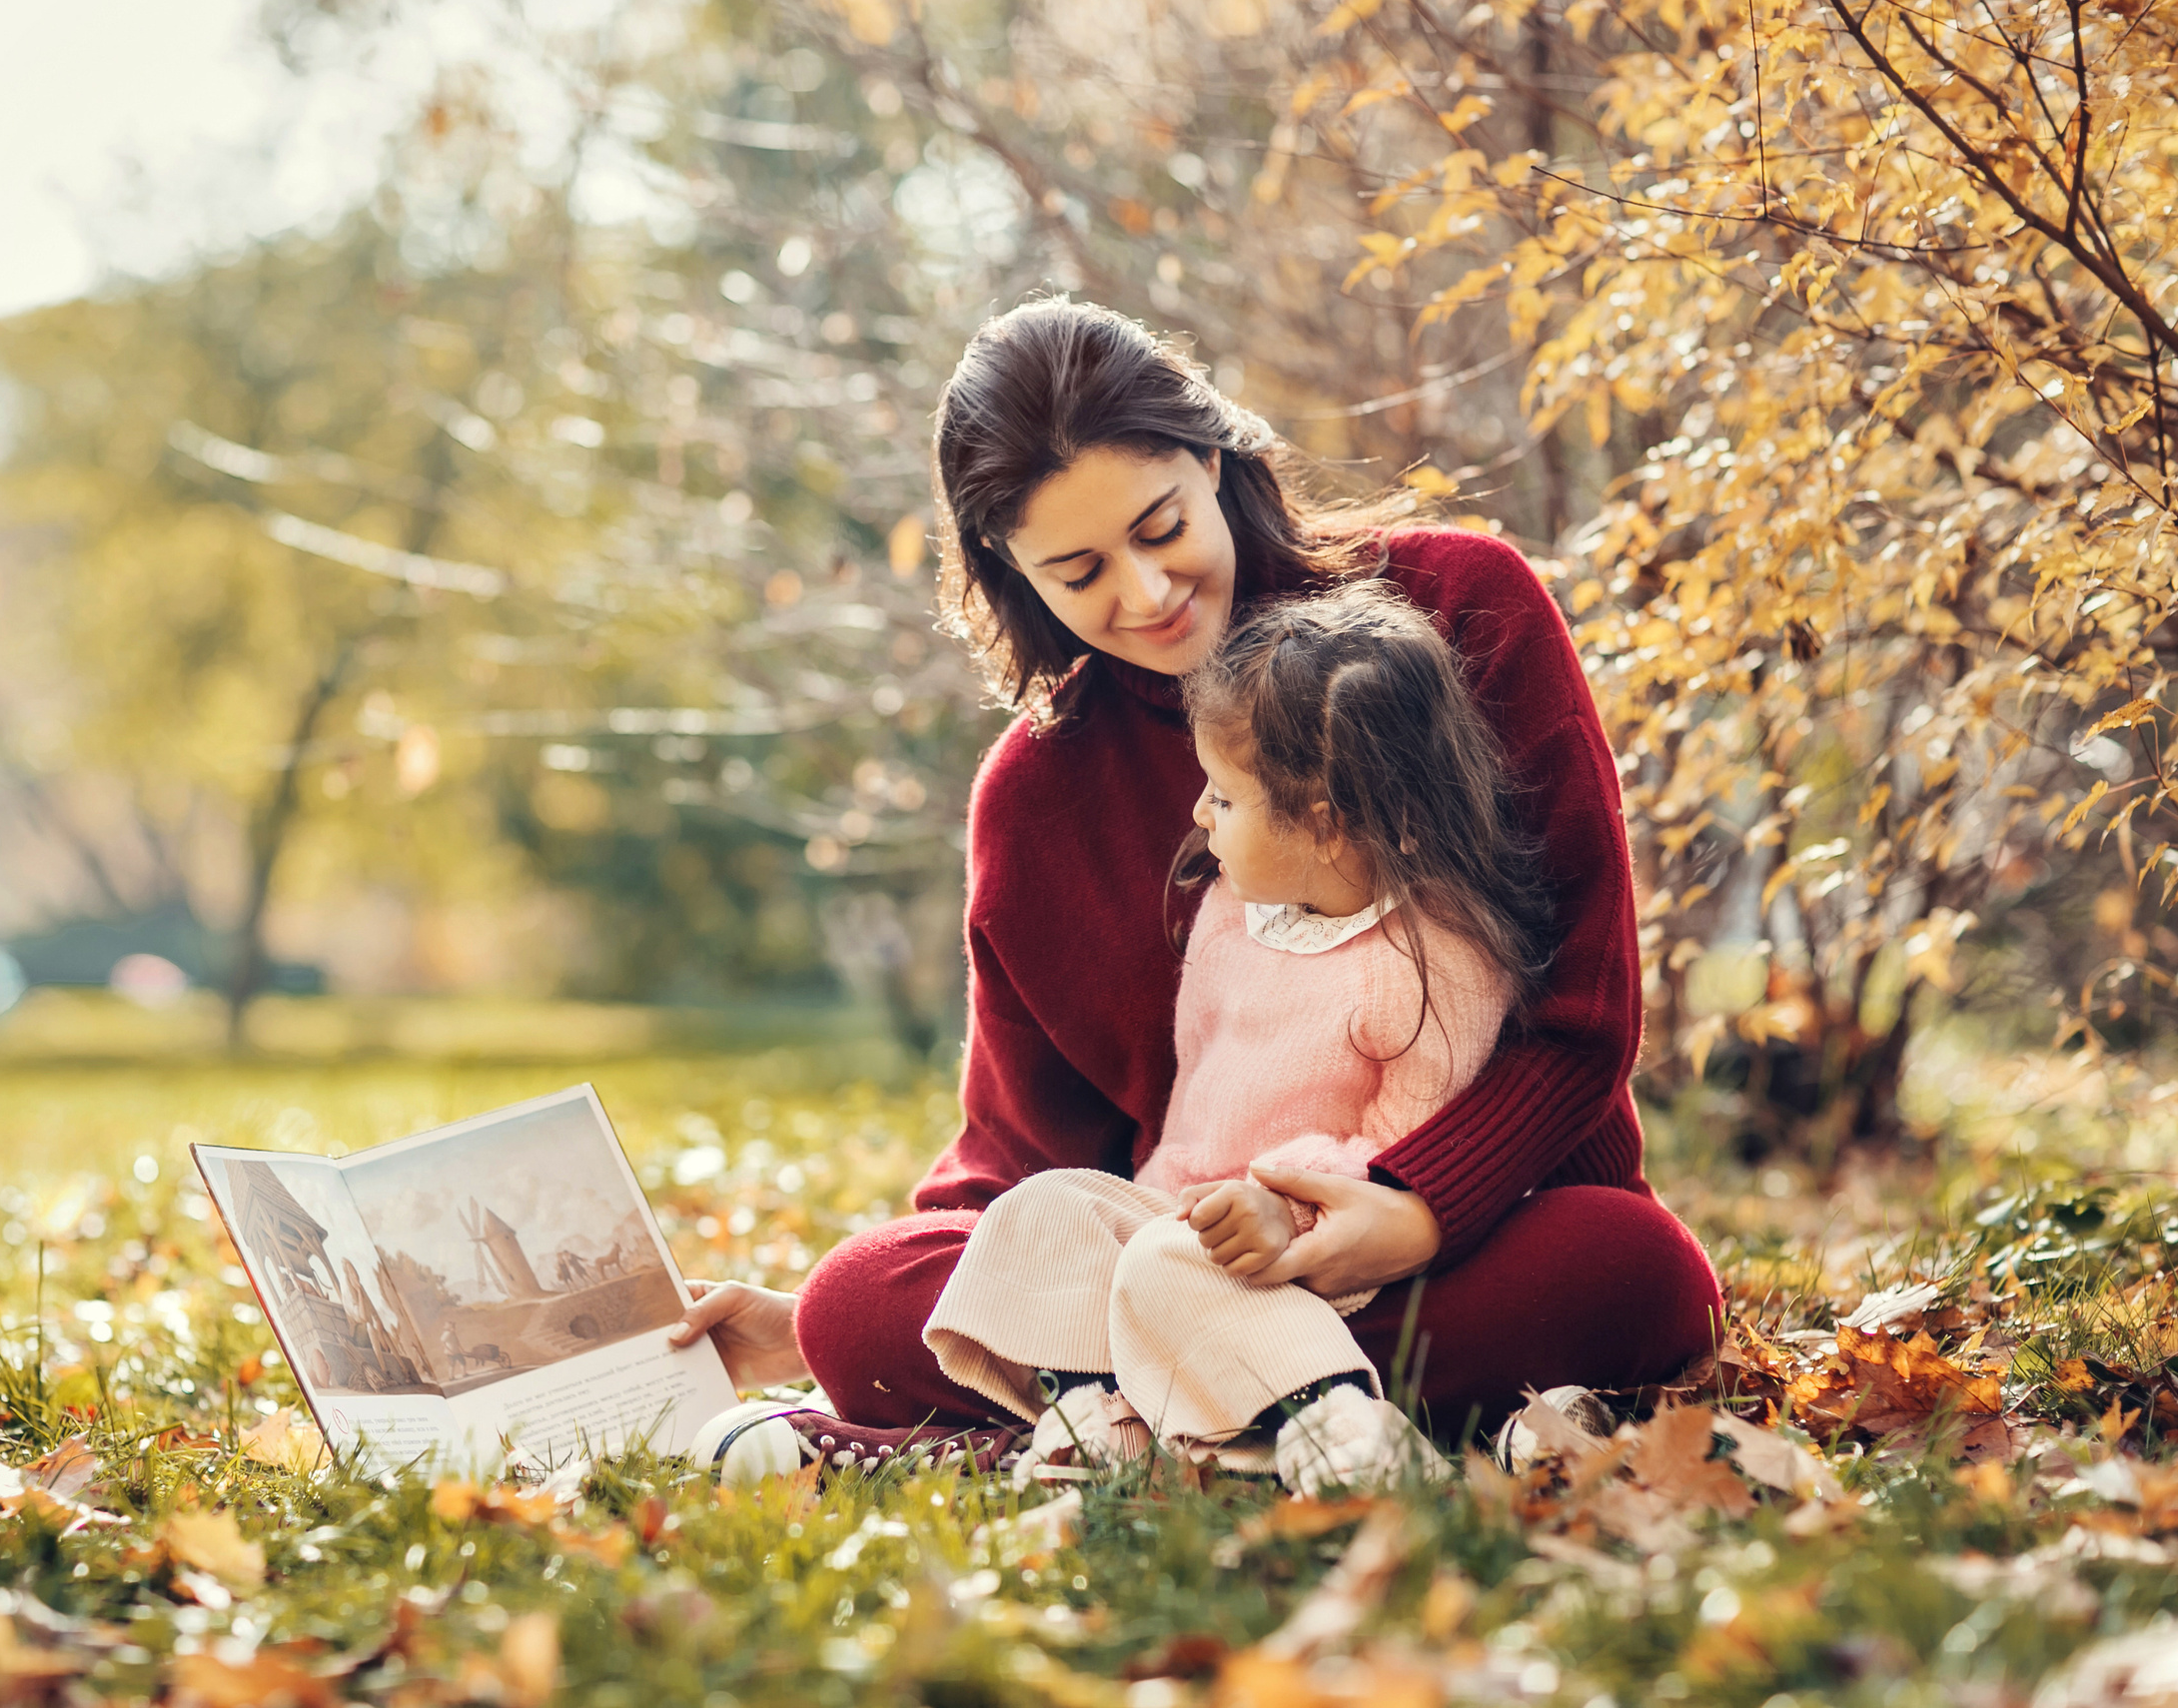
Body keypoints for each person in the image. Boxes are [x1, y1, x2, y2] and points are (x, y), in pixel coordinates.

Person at [673, 297, 1720, 1453]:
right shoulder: (1034, 796)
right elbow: (1023, 1152)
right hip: (1176, 1250)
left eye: (1160, 525)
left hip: (1475, 1232)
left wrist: (1416, 1207)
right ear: (1010, 573)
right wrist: (854, 1316)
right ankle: (1280, 1421)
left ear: (1213, 456)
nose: (1144, 593)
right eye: (1078, 570)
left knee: (1634, 1274)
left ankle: (1107, 1423)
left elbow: (1580, 1015)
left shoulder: (1459, 608)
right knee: (855, 1300)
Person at [918, 580, 1546, 1486]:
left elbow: (1408, 1147)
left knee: (1172, 1262)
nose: (1200, 816)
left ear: (1326, 827)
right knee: (1046, 1213)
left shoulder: (1428, 959)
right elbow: (1198, 1101)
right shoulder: (1230, 913)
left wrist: (1282, 1211)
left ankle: (1333, 1416)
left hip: (1322, 1239)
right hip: (1193, 1212)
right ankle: (1106, 1407)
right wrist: (1157, 1202)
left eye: (1226, 798)